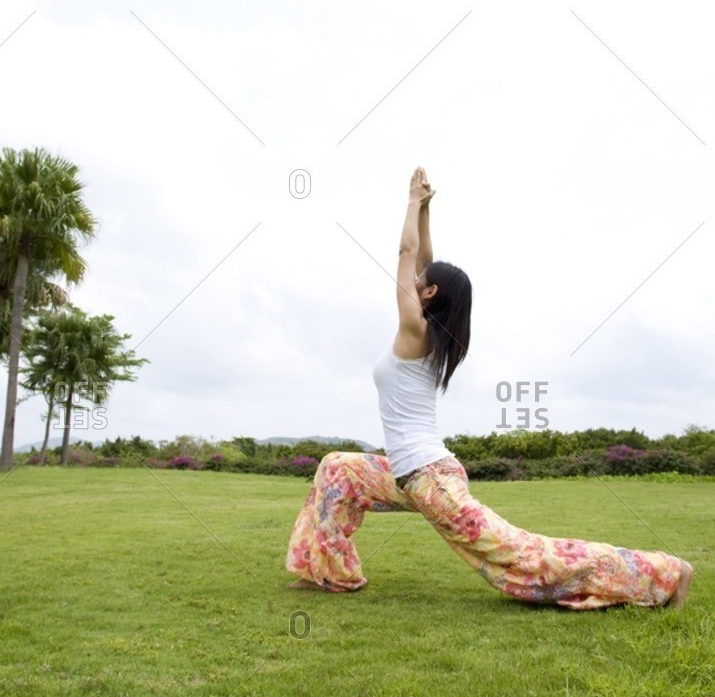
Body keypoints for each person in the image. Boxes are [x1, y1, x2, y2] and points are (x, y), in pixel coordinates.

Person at [285, 167, 694, 610]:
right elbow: (423, 261)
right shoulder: (429, 331)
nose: (413, 279)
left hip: (429, 479)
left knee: (522, 556)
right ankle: (332, 573)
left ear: (429, 293)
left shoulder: (415, 331)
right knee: (337, 469)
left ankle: (664, 573)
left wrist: (410, 201)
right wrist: (426, 209)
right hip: (408, 473)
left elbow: (408, 253)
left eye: (421, 282)